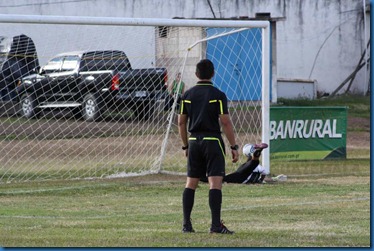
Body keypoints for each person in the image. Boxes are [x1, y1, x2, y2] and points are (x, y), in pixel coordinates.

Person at [178, 59, 239, 234]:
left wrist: (185, 146)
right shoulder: (218, 95)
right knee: (215, 183)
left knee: (191, 182)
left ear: (196, 74)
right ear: (213, 74)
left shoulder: (187, 95)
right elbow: (225, 122)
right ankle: (215, 226)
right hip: (213, 141)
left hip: (194, 141)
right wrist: (233, 146)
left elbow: (181, 123)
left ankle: (186, 225)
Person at [200, 143, 269, 184]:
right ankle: (202, 178)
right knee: (222, 178)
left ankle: (202, 178)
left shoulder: (251, 164)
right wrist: (260, 180)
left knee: (221, 179)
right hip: (242, 176)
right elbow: (264, 172)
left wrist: (259, 180)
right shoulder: (256, 165)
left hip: (241, 176)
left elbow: (263, 171)